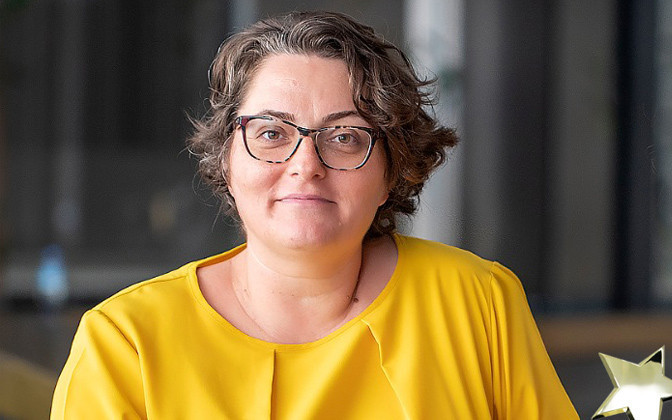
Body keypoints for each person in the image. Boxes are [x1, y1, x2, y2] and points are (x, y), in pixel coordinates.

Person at [51, 11, 578, 419]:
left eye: (345, 137)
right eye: (271, 133)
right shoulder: (124, 342)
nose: (306, 165)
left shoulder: (478, 301)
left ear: (393, 168)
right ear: (226, 160)